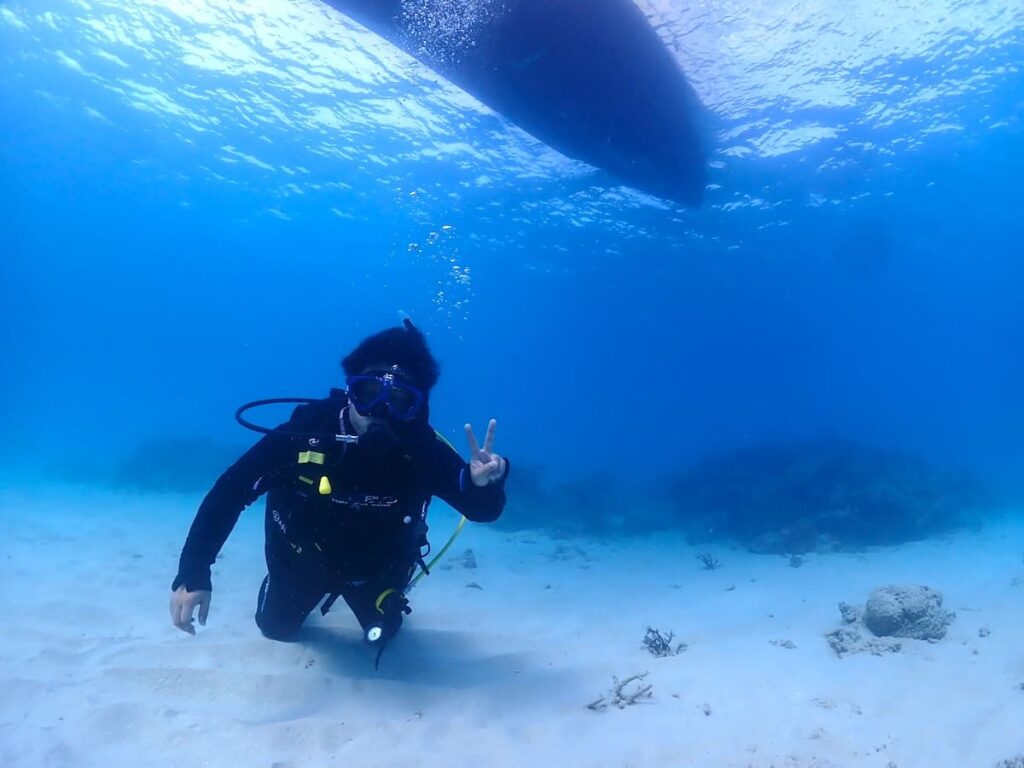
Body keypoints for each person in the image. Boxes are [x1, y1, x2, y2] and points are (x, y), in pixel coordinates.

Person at [168, 319, 508, 656]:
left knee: (382, 635)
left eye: (400, 399)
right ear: (349, 391)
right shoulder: (305, 433)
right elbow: (231, 490)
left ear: (417, 408)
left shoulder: (421, 450)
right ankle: (279, 587)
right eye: (368, 393)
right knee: (275, 628)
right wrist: (194, 570)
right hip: (303, 561)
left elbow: (482, 510)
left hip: (377, 570)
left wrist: (484, 485)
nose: (380, 412)